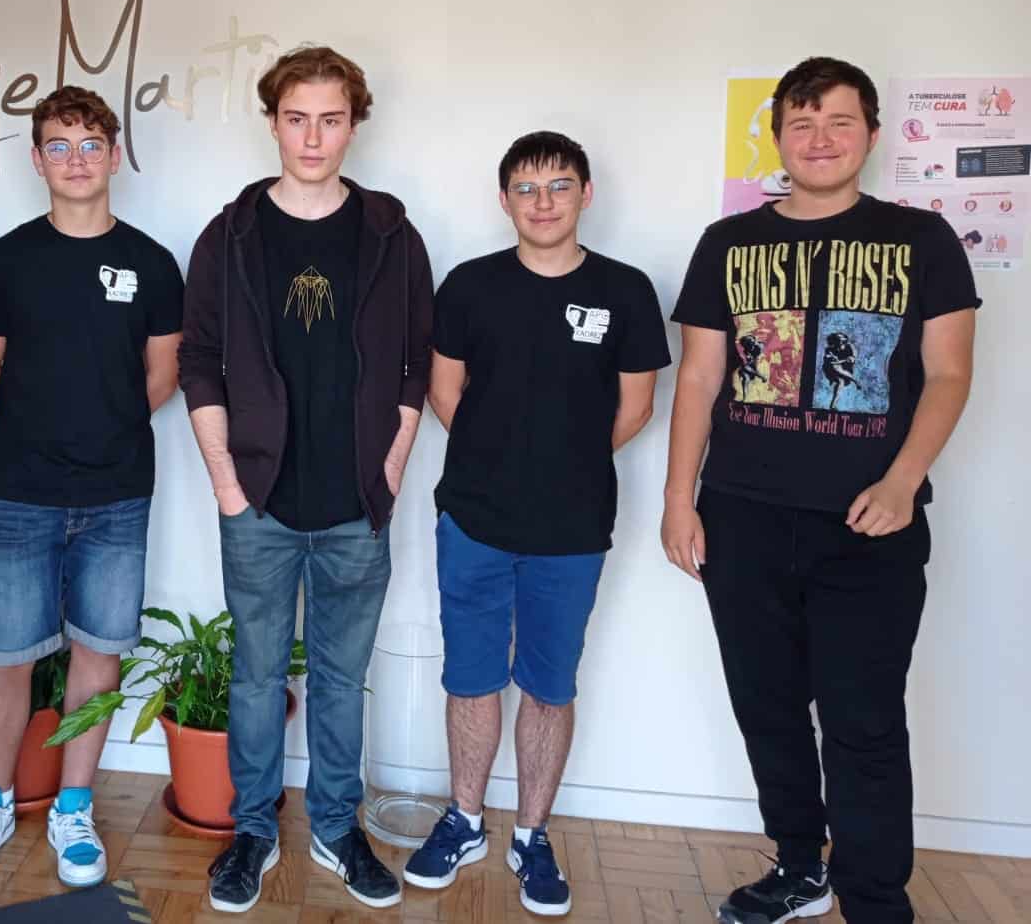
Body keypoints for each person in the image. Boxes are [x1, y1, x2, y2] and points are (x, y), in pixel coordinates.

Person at [664, 58, 978, 924]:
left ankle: (874, 900)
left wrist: (903, 482)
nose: (820, 140)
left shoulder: (922, 240)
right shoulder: (728, 244)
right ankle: (801, 866)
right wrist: (679, 498)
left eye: (839, 122)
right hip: (742, 516)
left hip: (870, 524)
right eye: (801, 124)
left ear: (871, 134)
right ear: (777, 139)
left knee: (862, 719)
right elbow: (700, 378)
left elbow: (950, 374)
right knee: (766, 707)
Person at [179, 45, 434, 913]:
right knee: (256, 677)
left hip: (356, 504)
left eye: (330, 119)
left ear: (354, 124)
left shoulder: (392, 235)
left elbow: (415, 365)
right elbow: (200, 361)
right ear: (273, 124)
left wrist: (388, 470)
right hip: (258, 501)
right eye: (297, 119)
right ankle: (253, 832)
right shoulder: (230, 235)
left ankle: (334, 829)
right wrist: (227, 485)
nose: (313, 137)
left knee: (338, 678)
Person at [405, 131, 669, 915]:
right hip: (474, 518)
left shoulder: (625, 290)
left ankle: (531, 834)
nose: (542, 202)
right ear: (504, 200)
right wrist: (499, 461)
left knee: (549, 685)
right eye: (526, 188)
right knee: (471, 677)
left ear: (586, 194)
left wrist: (561, 464)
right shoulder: (470, 285)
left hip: (573, 526)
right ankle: (464, 820)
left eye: (558, 186)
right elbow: (443, 391)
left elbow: (636, 407)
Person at [0, 86, 183, 887]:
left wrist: (102, 431)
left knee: (99, 656)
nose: (75, 160)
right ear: (37, 160)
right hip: (22, 492)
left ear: (114, 156)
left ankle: (74, 807)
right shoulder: (8, 258)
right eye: (59, 145)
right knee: (4, 659)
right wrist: (46, 432)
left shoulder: (152, 262)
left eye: (89, 145)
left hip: (119, 494)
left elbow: (163, 374)